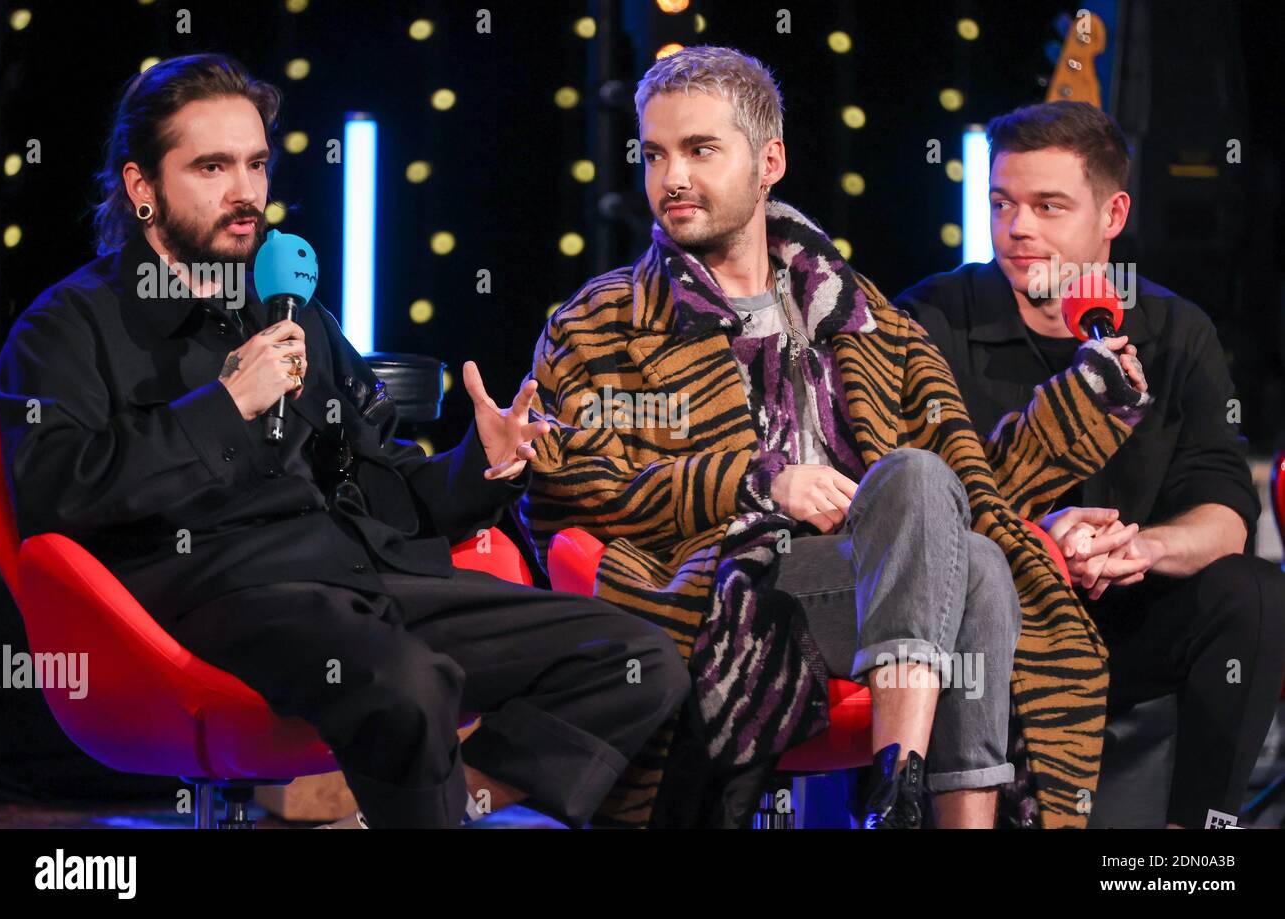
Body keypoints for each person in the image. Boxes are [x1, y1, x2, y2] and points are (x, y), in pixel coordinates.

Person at [0, 53, 690, 830]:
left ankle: (440, 811)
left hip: (364, 577)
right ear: (142, 188)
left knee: (637, 659)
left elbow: (383, 483)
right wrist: (225, 406)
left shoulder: (291, 312)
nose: (245, 193)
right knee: (408, 684)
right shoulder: (66, 328)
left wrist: (484, 464)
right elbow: (59, 495)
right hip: (215, 596)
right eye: (212, 167)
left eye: (256, 164)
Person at [517, 47, 1145, 829]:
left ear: (769, 159)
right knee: (968, 555)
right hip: (735, 592)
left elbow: (969, 487)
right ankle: (908, 794)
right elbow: (575, 484)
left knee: (963, 532)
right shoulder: (602, 324)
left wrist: (1083, 401)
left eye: (700, 149)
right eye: (655, 154)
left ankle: (899, 786)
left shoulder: (866, 319)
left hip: (878, 586)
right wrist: (758, 482)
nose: (671, 177)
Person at [896, 100, 1285, 828]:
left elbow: (1229, 512)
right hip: (993, 627)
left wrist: (1142, 546)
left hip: (1126, 620)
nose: (1019, 229)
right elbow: (912, 509)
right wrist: (1041, 539)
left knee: (1254, 590)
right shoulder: (929, 320)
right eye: (1002, 203)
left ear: (1113, 215)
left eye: (1049, 206)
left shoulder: (1173, 329)